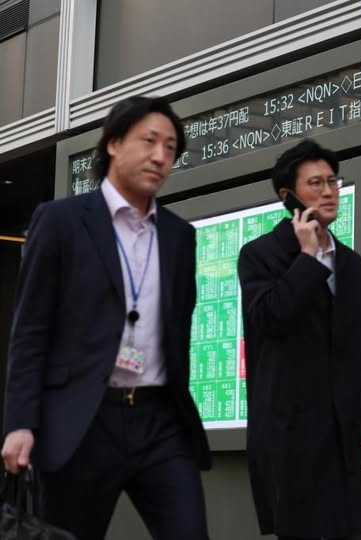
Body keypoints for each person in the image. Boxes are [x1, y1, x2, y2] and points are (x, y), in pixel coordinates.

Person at [1, 96, 211, 540]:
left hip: (159, 420)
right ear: (113, 143)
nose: (160, 156)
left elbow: (178, 332)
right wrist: (20, 422)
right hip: (83, 421)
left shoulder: (179, 236)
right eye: (149, 141)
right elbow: (30, 330)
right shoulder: (60, 221)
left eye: (171, 148)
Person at [238, 139, 361, 539]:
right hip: (290, 433)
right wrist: (307, 258)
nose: (328, 191)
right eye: (315, 183)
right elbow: (270, 318)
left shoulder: (351, 263)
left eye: (333, 181)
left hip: (344, 435)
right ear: (288, 196)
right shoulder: (260, 255)